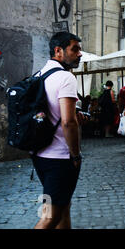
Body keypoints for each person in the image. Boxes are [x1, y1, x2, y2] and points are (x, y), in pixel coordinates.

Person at [31, 31, 83, 229]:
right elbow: (68, 122)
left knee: (63, 206)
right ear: (58, 51)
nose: (80, 54)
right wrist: (76, 155)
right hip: (60, 158)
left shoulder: (39, 75)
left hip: (39, 153)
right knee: (50, 216)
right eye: (75, 49)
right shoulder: (65, 78)